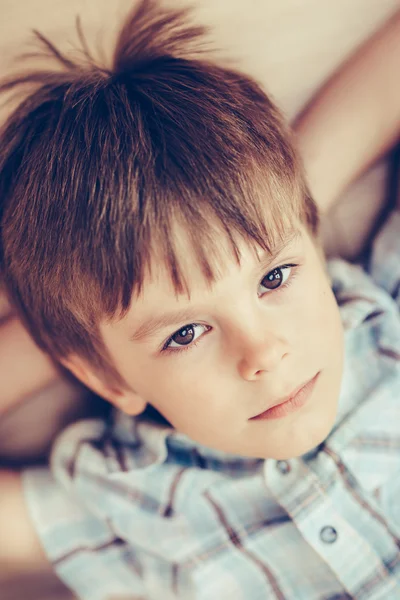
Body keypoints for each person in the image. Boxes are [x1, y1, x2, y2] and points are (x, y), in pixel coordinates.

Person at [0, 1, 400, 598]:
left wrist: (278, 205)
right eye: (184, 334)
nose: (262, 352)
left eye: (274, 279)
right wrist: (75, 338)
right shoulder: (123, 500)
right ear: (109, 379)